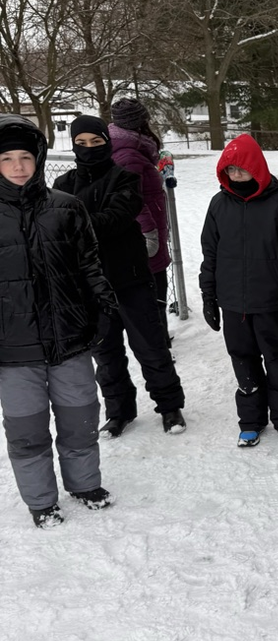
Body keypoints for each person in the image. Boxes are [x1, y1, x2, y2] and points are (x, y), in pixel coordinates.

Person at [0, 114, 117, 528]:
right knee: (27, 433)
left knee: (80, 419)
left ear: (38, 159)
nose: (18, 167)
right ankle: (41, 501)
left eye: (25, 157)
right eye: (7, 159)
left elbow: (90, 266)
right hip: (13, 350)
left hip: (70, 340)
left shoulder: (65, 208)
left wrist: (103, 307)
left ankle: (84, 485)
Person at [53, 115, 186, 436]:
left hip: (131, 278)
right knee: (106, 353)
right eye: (81, 143)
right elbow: (58, 229)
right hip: (89, 285)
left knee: (151, 347)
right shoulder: (63, 185)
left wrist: (77, 220)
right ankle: (119, 410)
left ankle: (170, 407)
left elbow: (116, 218)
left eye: (96, 142)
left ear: (107, 142)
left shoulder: (125, 178)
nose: (89, 148)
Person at [199, 133, 278, 447]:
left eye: (242, 169)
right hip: (233, 303)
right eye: (230, 170)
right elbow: (210, 255)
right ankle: (251, 420)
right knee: (243, 360)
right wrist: (209, 297)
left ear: (257, 168)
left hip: (269, 302)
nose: (236, 176)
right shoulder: (219, 205)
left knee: (277, 360)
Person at [108, 98, 172, 344]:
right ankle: (157, 341)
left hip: (149, 229)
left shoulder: (132, 149)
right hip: (145, 234)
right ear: (138, 123)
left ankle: (159, 335)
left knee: (156, 284)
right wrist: (150, 232)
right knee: (154, 286)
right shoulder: (128, 155)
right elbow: (132, 198)